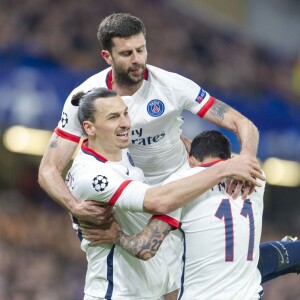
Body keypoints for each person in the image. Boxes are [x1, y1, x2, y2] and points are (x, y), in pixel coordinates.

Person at [38, 12, 299, 286]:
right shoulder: (87, 99)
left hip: (182, 189)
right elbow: (48, 168)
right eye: (127, 53)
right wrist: (74, 205)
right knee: (167, 282)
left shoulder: (171, 86)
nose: (137, 59)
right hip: (134, 201)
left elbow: (243, 123)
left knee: (211, 270)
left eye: (141, 49)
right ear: (107, 56)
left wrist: (244, 159)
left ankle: (290, 252)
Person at [66, 88, 262, 300]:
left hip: (149, 292)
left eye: (125, 113)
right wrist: (222, 168)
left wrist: (195, 166)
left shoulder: (120, 151)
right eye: (113, 117)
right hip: (115, 292)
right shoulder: (91, 175)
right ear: (89, 127)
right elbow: (158, 201)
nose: (125, 122)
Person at [89, 130, 266, 299]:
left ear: (191, 160)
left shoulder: (181, 186)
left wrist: (115, 236)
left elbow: (144, 249)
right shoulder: (256, 179)